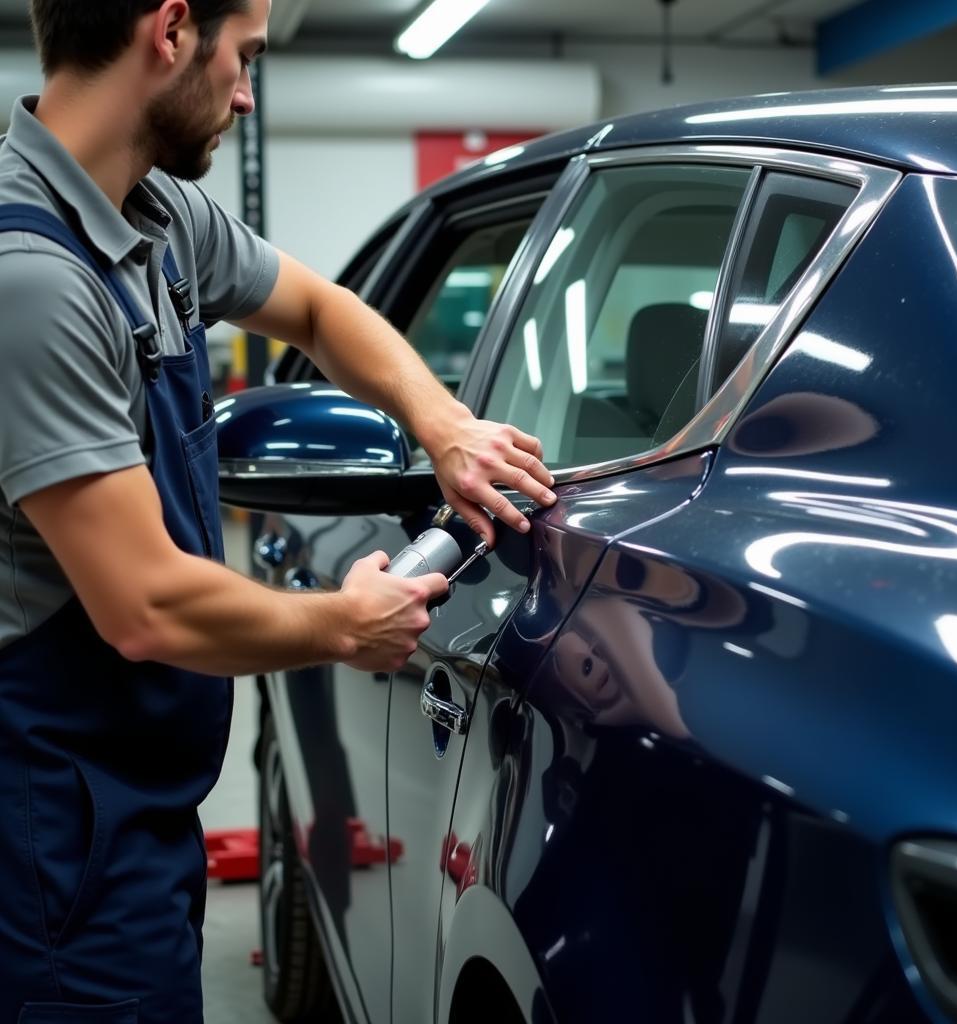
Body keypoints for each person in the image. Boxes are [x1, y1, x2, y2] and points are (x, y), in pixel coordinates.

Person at [0, 0, 556, 1020]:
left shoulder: (153, 214)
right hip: (52, 828)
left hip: (132, 802)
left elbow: (314, 307)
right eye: (245, 57)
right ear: (170, 31)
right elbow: (145, 606)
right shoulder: (31, 279)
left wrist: (442, 424)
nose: (248, 93)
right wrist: (339, 626)